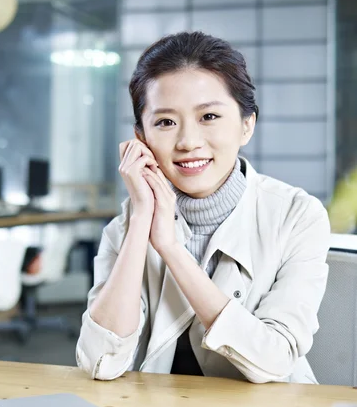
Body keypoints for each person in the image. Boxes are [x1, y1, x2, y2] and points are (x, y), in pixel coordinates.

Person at [76, 31, 330, 384]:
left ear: (246, 125)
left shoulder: (296, 215)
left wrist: (171, 248)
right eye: (165, 122)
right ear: (141, 139)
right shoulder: (126, 226)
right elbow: (100, 362)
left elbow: (273, 359)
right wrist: (141, 224)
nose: (188, 142)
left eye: (209, 116)